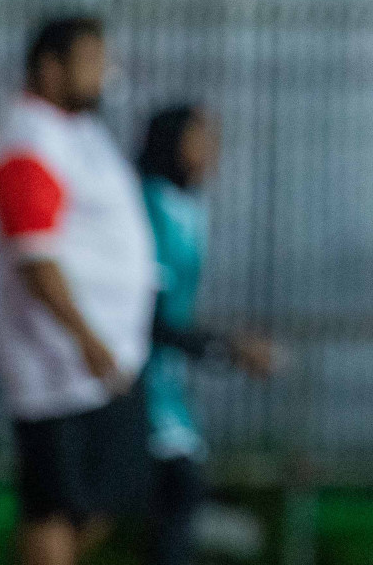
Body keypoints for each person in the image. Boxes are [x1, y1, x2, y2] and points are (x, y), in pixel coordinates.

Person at [0, 17, 158, 565]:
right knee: (52, 509)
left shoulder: (74, 132)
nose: (102, 75)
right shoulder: (26, 141)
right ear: (50, 68)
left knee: (92, 508)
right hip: (58, 363)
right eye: (90, 63)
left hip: (101, 360)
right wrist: (84, 336)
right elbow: (35, 257)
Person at [137, 103, 274, 565]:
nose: (213, 148)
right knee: (170, 492)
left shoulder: (189, 206)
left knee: (174, 495)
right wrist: (226, 348)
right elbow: (148, 315)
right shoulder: (147, 204)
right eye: (200, 137)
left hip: (165, 379)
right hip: (131, 377)